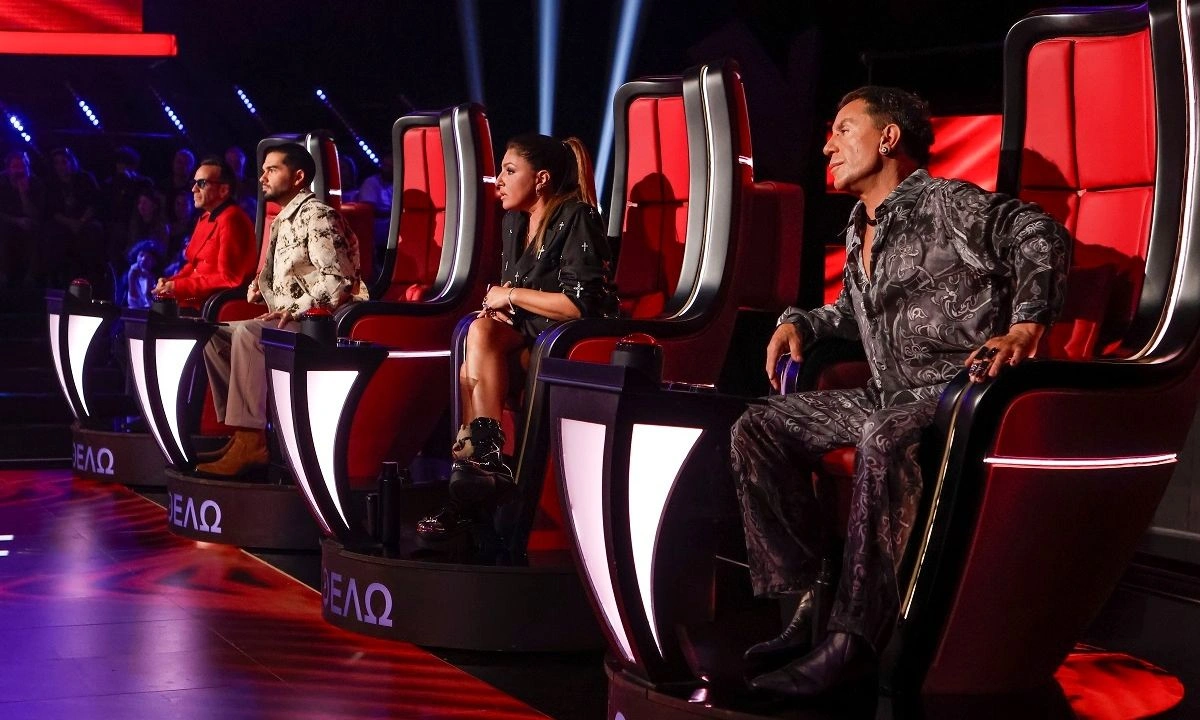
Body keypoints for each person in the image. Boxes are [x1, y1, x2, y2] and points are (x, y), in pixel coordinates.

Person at [730, 86, 1070, 697]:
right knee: (758, 425)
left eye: (843, 129)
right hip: (887, 394)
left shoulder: (947, 205)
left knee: (882, 436)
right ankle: (810, 604)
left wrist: (1025, 326)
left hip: (955, 397)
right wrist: (802, 321)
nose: (827, 146)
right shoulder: (860, 226)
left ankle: (854, 642)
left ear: (888, 138)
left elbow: (1039, 235)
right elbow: (850, 312)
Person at [416, 133, 618, 540]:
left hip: (568, 342)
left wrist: (509, 296)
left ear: (541, 179)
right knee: (477, 333)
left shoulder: (577, 215)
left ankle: (471, 488)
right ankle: (480, 469)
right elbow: (515, 292)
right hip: (527, 334)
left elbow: (580, 305)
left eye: (510, 171)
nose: (499, 181)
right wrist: (499, 306)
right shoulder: (514, 222)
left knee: (476, 353)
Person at [197, 143, 367, 477]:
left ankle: (251, 442)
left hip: (319, 324)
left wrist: (296, 308)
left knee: (249, 334)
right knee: (216, 336)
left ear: (298, 176)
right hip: (290, 320)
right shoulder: (283, 220)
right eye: (263, 170)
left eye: (272, 170)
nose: (262, 177)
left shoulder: (318, 216)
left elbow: (339, 281)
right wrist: (260, 290)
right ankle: (243, 433)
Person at [154, 157, 256, 309]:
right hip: (196, 299)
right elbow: (193, 265)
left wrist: (178, 287)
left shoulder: (232, 218)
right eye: (194, 183)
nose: (194, 189)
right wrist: (170, 282)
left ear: (223, 190)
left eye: (201, 183)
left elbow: (230, 279)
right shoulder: (206, 216)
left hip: (213, 305)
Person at [45, 147, 104, 287]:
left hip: (84, 220)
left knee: (94, 230)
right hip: (63, 222)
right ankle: (57, 279)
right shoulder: (51, 183)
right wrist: (69, 223)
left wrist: (81, 221)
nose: (61, 166)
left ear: (71, 162)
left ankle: (92, 277)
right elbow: (50, 210)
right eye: (57, 163)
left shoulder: (85, 178)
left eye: (64, 162)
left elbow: (94, 203)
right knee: (52, 233)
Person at [0, 150, 46, 287]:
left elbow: (36, 214)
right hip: (7, 221)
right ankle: (3, 276)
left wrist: (23, 193)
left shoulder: (36, 183)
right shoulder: (1, 182)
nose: (19, 170)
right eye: (15, 166)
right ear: (8, 169)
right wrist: (16, 221)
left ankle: (31, 279)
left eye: (22, 166)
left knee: (37, 232)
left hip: (30, 223)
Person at [124, 239, 161, 308]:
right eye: (141, 255)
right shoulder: (130, 274)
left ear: (155, 262)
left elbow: (154, 304)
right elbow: (133, 302)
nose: (143, 259)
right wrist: (131, 276)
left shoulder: (157, 279)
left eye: (148, 257)